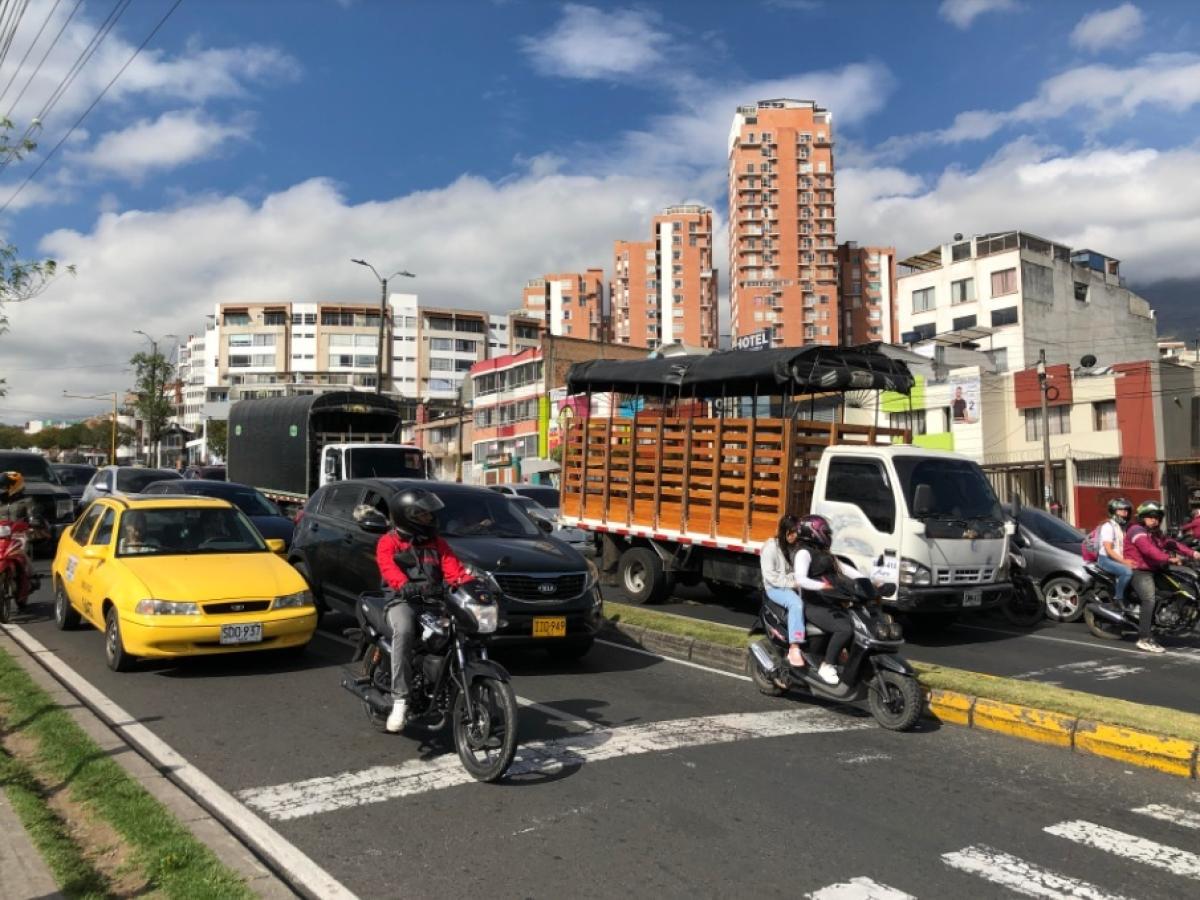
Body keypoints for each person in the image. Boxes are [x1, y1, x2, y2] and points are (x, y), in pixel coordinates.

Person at [375, 488, 470, 733]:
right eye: (425, 515)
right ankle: (400, 699)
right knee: (404, 630)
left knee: (458, 629)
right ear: (410, 516)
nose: (431, 518)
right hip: (401, 602)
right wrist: (404, 586)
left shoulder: (437, 543)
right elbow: (388, 568)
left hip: (434, 602)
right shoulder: (389, 542)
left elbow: (454, 570)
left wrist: (471, 584)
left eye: (430, 514)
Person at [1124, 500, 1200, 654]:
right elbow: (1148, 550)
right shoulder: (1137, 531)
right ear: (1142, 517)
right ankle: (1144, 639)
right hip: (1140, 571)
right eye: (1151, 517)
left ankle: (1168, 620)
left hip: (1156, 568)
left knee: (1181, 588)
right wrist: (1168, 559)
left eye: (1157, 517)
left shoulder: (1155, 532)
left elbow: (1171, 543)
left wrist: (1194, 553)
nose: (1155, 520)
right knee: (1149, 599)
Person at [793, 514, 860, 686]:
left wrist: (870, 582)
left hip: (832, 602)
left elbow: (848, 570)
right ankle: (827, 664)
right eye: (826, 533)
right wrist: (821, 586)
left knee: (858, 626)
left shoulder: (826, 554)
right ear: (813, 532)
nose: (829, 537)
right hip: (814, 605)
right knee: (845, 629)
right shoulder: (803, 553)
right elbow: (800, 579)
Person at [760, 515, 805, 668]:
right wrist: (792, 583)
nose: (794, 536)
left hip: (791, 584)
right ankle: (794, 646)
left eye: (796, 532)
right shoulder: (770, 547)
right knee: (796, 604)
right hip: (775, 588)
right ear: (784, 532)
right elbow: (770, 577)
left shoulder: (793, 547)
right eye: (791, 533)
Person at [0, 471, 43, 607]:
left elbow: (34, 516)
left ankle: (31, 576)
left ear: (15, 485)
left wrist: (34, 522)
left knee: (21, 552)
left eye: (5, 485)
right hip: (1, 534)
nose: (3, 488)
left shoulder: (27, 501)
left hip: (19, 535)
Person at [1095, 498, 1133, 603]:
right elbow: (1109, 550)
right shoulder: (1108, 526)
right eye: (1121, 510)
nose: (1124, 513)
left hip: (1118, 558)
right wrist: (1124, 562)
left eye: (1126, 510)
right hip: (1106, 559)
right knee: (1127, 572)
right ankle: (1118, 598)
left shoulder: (1122, 527)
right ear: (1113, 511)